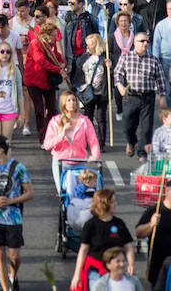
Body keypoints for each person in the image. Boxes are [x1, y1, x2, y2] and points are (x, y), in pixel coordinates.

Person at [0, 134, 34, 291]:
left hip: (13, 219)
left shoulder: (19, 168)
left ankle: (13, 274)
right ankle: (5, 287)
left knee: (14, 257)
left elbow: (30, 193)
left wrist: (11, 201)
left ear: (0, 151)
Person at [114, 31, 167, 160]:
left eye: (147, 41)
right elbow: (117, 74)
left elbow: (160, 78)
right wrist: (120, 86)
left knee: (146, 128)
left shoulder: (153, 60)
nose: (145, 44)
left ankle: (142, 152)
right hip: (130, 97)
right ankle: (131, 142)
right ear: (134, 43)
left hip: (147, 97)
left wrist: (162, 96)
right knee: (128, 125)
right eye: (142, 41)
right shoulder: (126, 57)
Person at [71, 190, 135, 291]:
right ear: (103, 204)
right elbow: (83, 250)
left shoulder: (119, 223)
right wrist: (77, 273)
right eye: (112, 202)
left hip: (117, 271)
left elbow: (128, 246)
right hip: (96, 273)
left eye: (115, 201)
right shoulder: (90, 225)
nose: (116, 204)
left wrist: (131, 264)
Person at [135, 179, 171, 286]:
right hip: (158, 264)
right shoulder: (154, 210)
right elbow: (138, 233)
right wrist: (151, 224)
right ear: (167, 190)